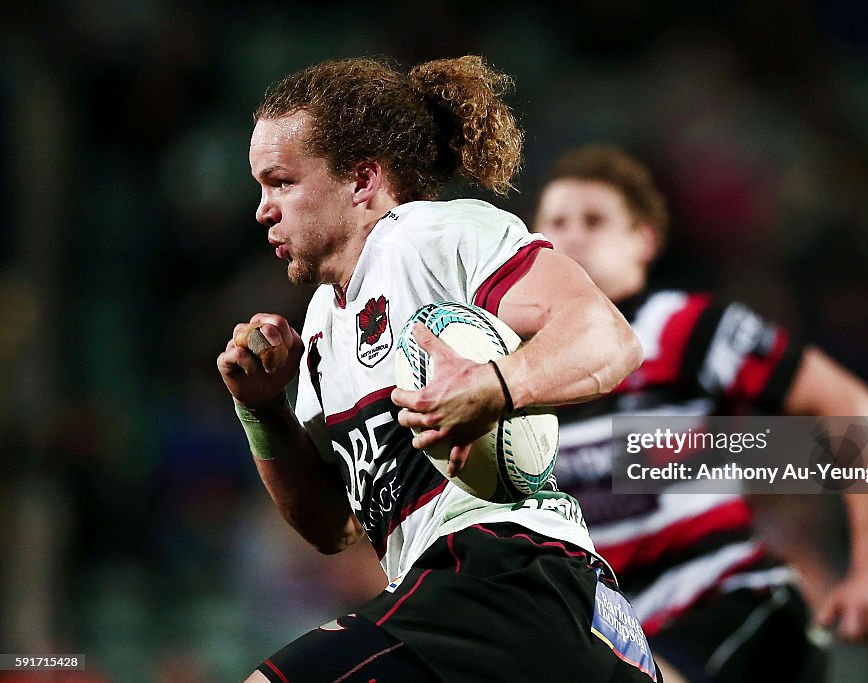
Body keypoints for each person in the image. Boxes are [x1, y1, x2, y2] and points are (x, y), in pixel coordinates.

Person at [217, 57, 661, 683]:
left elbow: (607, 339)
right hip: (482, 612)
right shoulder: (320, 326)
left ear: (362, 178)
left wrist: (496, 385)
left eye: (282, 182)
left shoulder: (430, 236)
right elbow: (332, 526)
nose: (263, 209)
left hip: (508, 577)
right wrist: (263, 410)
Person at [532, 145, 868, 683]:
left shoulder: (682, 328)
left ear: (644, 240)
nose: (571, 237)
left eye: (595, 221)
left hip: (731, 608)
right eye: (556, 223)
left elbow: (852, 405)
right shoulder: (520, 367)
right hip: (625, 634)